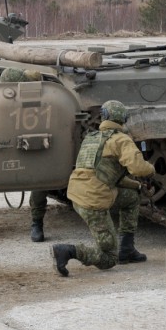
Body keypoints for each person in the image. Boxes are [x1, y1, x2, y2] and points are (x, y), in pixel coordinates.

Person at [51, 100, 155, 277]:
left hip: (78, 193)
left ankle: (127, 249)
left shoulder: (92, 138)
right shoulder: (121, 140)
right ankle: (68, 251)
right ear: (122, 119)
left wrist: (137, 185)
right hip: (93, 201)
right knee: (108, 258)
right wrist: (151, 170)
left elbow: (106, 175)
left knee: (131, 197)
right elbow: (139, 168)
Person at [0, 67, 49, 242]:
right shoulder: (2, 101)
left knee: (39, 183)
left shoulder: (37, 98)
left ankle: (37, 222)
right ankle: (36, 222)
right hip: (13, 146)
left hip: (35, 145)